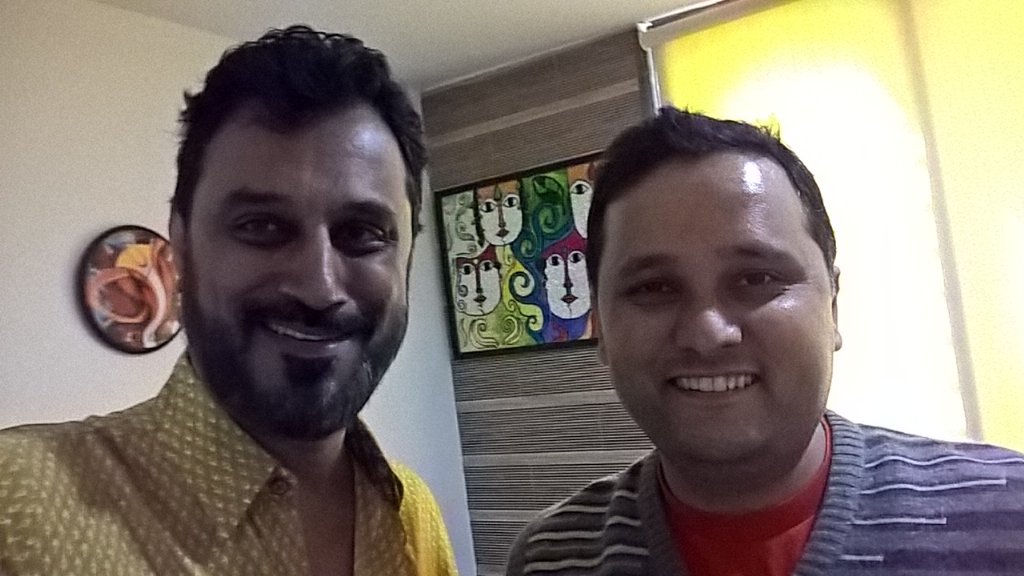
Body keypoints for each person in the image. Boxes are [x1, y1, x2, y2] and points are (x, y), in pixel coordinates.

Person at [0, 26, 456, 576]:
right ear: (180, 245)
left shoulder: (413, 514)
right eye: (262, 226)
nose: (319, 287)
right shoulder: (16, 509)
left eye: (362, 233)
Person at [506, 107, 1024, 575]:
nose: (708, 333)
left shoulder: (1007, 512)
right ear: (601, 325)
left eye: (757, 278)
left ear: (833, 306)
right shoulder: (550, 557)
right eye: (654, 288)